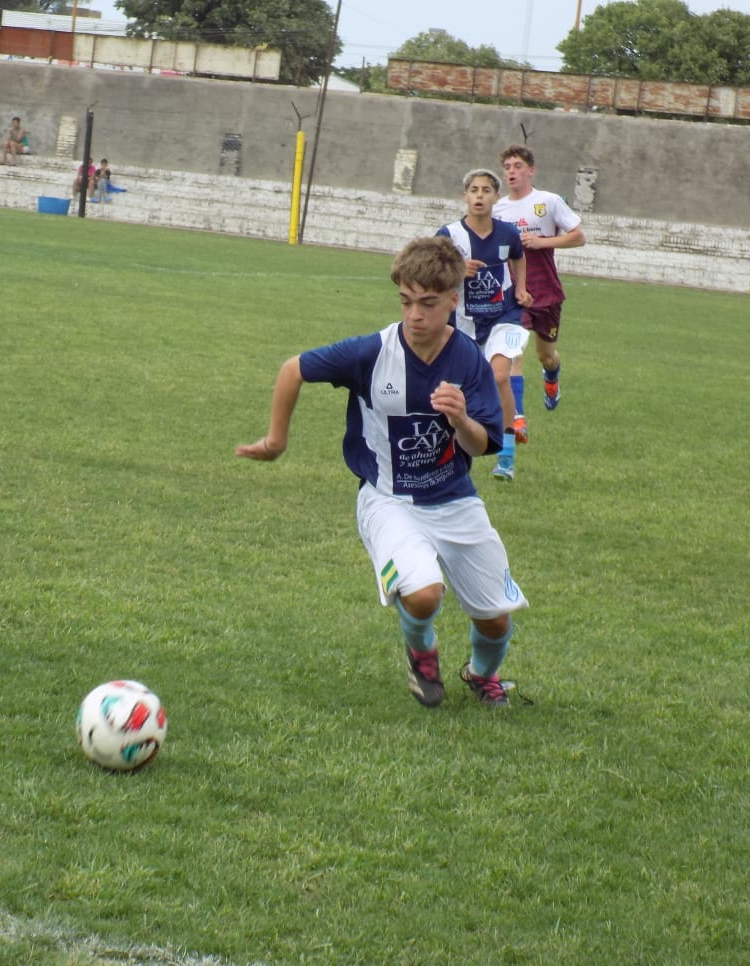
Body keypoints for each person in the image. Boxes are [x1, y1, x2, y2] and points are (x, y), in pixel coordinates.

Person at [236, 236, 528, 708]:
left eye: (429, 304)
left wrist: (460, 420)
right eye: (406, 301)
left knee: (496, 618)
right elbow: (293, 369)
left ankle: (482, 675)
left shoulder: (469, 361)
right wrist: (275, 441)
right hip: (387, 499)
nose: (415, 315)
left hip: (455, 500)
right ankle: (422, 654)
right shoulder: (372, 352)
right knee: (423, 594)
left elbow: (482, 444)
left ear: (453, 302)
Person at [436, 168, 532, 481]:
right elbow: (434, 273)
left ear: (495, 197)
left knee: (499, 375)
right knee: (451, 390)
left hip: (505, 317)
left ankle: (505, 456)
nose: (480, 196)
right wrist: (457, 269)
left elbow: (518, 257)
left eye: (486, 190)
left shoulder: (507, 234)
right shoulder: (449, 235)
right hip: (461, 322)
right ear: (465, 196)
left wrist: (520, 287)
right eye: (474, 190)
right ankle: (451, 450)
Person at [493, 144, 586, 431]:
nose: (512, 172)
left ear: (531, 170)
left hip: (546, 292)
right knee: (513, 354)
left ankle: (552, 376)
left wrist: (542, 241)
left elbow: (578, 236)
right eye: (507, 167)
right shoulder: (498, 208)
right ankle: (518, 418)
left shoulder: (548, 201)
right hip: (514, 293)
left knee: (545, 354)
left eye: (517, 166)